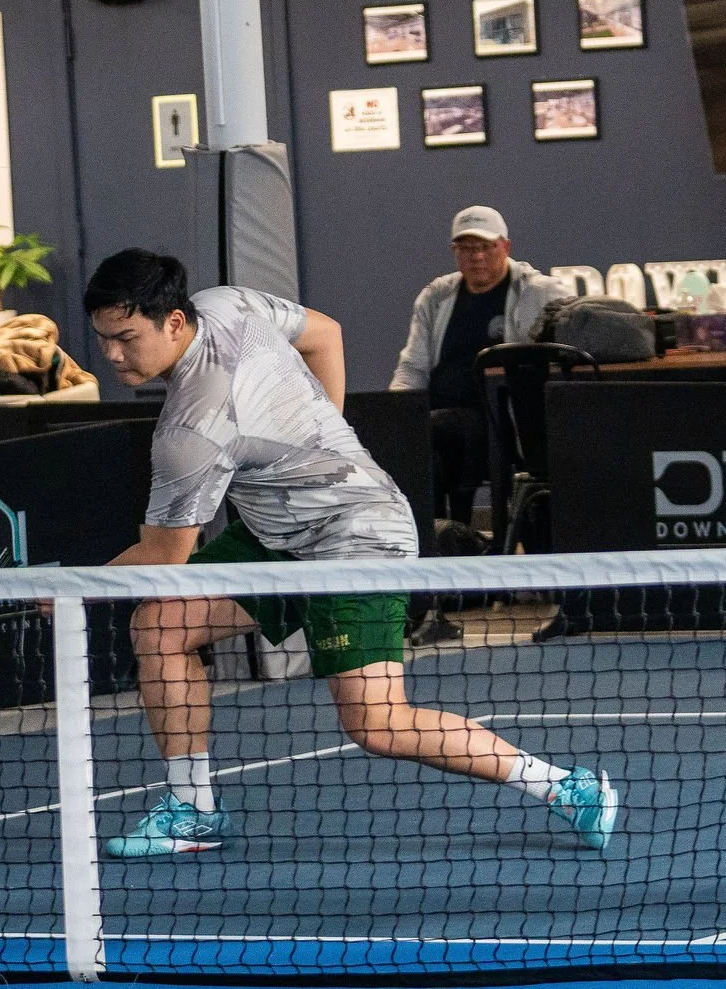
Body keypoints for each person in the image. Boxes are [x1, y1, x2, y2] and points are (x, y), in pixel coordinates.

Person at [85, 249, 615, 857]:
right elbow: (326, 335)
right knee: (161, 623)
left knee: (379, 725)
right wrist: (323, 431)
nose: (114, 355)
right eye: (103, 340)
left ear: (174, 321)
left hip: (355, 536)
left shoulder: (191, 429)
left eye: (126, 339)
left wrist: (74, 587)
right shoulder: (228, 301)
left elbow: (165, 557)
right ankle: (192, 810)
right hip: (278, 534)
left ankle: (567, 787)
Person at [388, 206, 565, 525]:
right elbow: (412, 368)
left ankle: (457, 526)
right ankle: (438, 535)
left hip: (508, 419)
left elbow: (566, 349)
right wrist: (397, 415)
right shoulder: (435, 297)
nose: (477, 257)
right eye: (467, 248)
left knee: (444, 429)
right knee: (418, 433)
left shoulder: (540, 292)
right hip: (443, 416)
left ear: (506, 247)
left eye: (486, 247)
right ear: (454, 252)